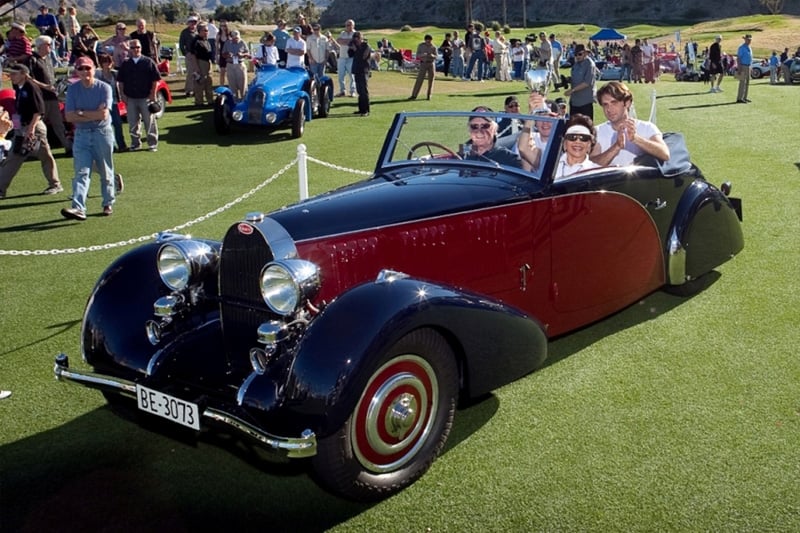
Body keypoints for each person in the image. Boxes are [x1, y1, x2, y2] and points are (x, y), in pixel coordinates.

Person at [61, 56, 115, 220]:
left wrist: (80, 113)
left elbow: (103, 115)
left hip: (102, 134)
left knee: (105, 169)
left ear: (94, 69)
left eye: (87, 68)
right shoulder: (73, 89)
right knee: (81, 172)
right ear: (77, 71)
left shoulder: (104, 88)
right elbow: (68, 117)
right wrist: (90, 115)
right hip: (82, 135)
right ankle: (78, 207)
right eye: (81, 69)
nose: (85, 72)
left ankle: (108, 201)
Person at [0, 63, 61, 200]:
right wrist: (16, 126)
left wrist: (31, 129)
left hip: (34, 127)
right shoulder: (18, 87)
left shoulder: (31, 88)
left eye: (14, 74)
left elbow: (38, 112)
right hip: (22, 127)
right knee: (14, 157)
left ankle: (55, 184)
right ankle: (1, 188)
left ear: (23, 74)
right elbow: (18, 108)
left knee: (44, 156)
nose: (11, 77)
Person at [591, 81, 670, 167]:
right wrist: (616, 147)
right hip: (610, 179)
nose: (609, 109)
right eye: (605, 105)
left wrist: (635, 139)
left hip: (639, 179)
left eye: (614, 103)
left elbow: (665, 154)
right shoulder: (597, 132)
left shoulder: (647, 128)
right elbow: (590, 166)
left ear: (627, 103)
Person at [117, 38, 161, 152]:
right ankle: (135, 143)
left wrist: (153, 94)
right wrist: (122, 95)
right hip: (131, 97)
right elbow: (120, 81)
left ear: (141, 48)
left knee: (149, 121)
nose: (136, 49)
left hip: (145, 96)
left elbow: (155, 80)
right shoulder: (126, 63)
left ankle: (152, 143)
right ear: (129, 49)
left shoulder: (148, 61)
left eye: (138, 47)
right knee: (133, 122)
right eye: (133, 47)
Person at [30, 35, 71, 153]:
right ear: (40, 46)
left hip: (52, 97)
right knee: (38, 125)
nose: (50, 47)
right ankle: (36, 149)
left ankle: (68, 146)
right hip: (40, 98)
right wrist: (45, 87)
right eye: (48, 44)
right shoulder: (32, 60)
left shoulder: (47, 59)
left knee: (58, 124)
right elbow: (30, 79)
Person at [95, 53, 127, 152]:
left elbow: (122, 83)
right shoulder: (97, 75)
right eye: (104, 62)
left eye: (109, 61)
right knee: (106, 126)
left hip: (114, 102)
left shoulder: (115, 73)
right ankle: (111, 146)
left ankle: (122, 145)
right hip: (103, 104)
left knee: (118, 124)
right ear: (101, 64)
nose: (107, 64)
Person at [554, 115, 601, 179]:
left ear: (589, 144)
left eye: (584, 138)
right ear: (564, 142)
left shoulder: (597, 173)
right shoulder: (549, 168)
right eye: (572, 137)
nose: (578, 142)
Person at [563, 43, 596, 120]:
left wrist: (572, 90)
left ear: (585, 53)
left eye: (579, 54)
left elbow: (587, 83)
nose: (577, 56)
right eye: (575, 54)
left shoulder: (589, 64)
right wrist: (568, 80)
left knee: (586, 127)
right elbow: (575, 78)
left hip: (585, 102)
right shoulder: (576, 64)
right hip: (574, 101)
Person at [191, 23, 214, 106]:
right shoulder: (196, 41)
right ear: (199, 31)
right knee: (200, 82)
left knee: (209, 81)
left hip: (208, 62)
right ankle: (199, 101)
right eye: (205, 30)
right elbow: (193, 55)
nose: (206, 32)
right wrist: (196, 67)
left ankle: (210, 100)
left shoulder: (206, 40)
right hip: (200, 62)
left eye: (207, 31)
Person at [348, 32, 371, 116]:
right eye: (355, 38)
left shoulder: (366, 46)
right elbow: (350, 55)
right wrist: (351, 48)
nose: (356, 40)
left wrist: (356, 49)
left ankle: (366, 110)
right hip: (357, 70)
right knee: (359, 91)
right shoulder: (356, 46)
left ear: (361, 38)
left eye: (357, 38)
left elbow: (362, 57)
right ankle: (361, 109)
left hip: (364, 70)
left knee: (364, 91)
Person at [409, 35, 437, 100]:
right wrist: (423, 54)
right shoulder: (421, 46)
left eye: (430, 41)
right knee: (419, 79)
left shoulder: (433, 47)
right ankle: (414, 95)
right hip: (423, 63)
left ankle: (429, 95)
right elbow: (417, 55)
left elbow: (436, 56)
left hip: (431, 64)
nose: (429, 42)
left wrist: (432, 55)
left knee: (431, 80)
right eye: (427, 41)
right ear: (425, 40)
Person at [179, 16, 199, 97]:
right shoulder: (184, 32)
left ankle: (195, 89)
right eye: (191, 22)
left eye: (194, 22)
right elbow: (181, 44)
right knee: (190, 72)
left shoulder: (197, 32)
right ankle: (188, 90)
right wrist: (185, 53)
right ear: (188, 23)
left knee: (197, 72)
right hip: (190, 54)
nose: (193, 24)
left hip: (198, 54)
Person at [336, 20, 356, 97]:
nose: (348, 26)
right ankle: (342, 91)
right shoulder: (342, 33)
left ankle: (352, 91)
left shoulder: (355, 34)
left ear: (353, 26)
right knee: (340, 75)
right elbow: (338, 40)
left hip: (351, 58)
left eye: (350, 25)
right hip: (342, 57)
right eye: (347, 25)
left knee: (352, 76)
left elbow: (354, 42)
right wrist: (348, 41)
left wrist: (345, 41)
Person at [736, 34, 753, 103]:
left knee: (747, 82)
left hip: (748, 66)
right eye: (748, 39)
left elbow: (750, 58)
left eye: (750, 40)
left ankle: (745, 97)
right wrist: (739, 68)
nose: (749, 41)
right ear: (745, 40)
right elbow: (739, 58)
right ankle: (739, 98)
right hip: (743, 66)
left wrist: (751, 67)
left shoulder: (749, 48)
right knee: (742, 82)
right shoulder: (741, 47)